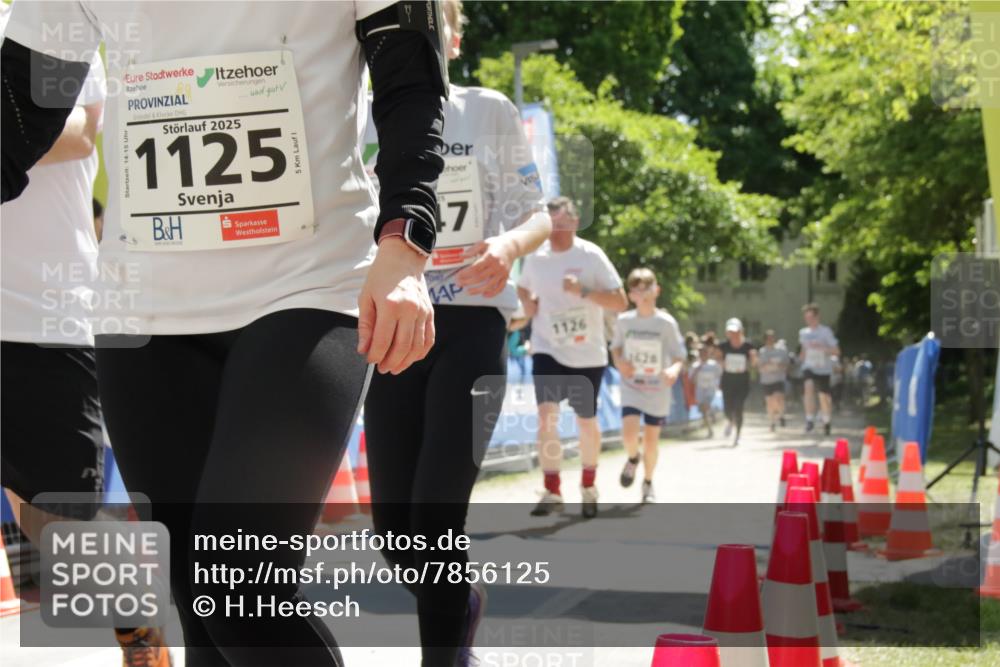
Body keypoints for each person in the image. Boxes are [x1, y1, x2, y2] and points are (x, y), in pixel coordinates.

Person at [3, 2, 446, 665]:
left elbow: (411, 80)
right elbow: (17, 109)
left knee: (237, 581)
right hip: (145, 310)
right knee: (204, 611)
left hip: (305, 284)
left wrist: (405, 242)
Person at [361, 2, 551, 663]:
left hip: (472, 320)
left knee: (437, 516)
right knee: (395, 533)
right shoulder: (358, 115)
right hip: (394, 325)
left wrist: (507, 246)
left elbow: (538, 214)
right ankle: (461, 600)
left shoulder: (487, 109)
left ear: (455, 38)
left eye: (433, 22)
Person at [0, 8, 172, 662]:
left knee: (56, 522)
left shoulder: (43, 24)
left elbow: (80, 132)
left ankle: (139, 629)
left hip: (40, 316)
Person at [518, 196, 628, 518]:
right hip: (547, 348)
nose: (555, 230)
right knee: (546, 417)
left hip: (587, 354)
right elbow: (523, 287)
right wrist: (528, 303)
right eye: (550, 224)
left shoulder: (591, 255)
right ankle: (552, 490)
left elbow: (620, 301)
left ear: (575, 222)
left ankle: (588, 486)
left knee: (585, 421)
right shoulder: (536, 258)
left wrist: (583, 291)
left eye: (561, 223)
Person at [610, 268, 686, 503]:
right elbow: (615, 348)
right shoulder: (624, 321)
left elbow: (679, 355)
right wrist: (620, 363)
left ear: (656, 290)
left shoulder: (666, 323)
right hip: (632, 386)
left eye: (646, 288)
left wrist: (673, 370)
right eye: (637, 289)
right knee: (629, 434)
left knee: (651, 441)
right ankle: (633, 458)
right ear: (630, 294)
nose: (642, 294)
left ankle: (648, 482)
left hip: (657, 389)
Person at [799, 303, 841, 435]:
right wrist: (800, 358)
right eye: (807, 318)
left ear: (817, 317)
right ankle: (809, 420)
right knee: (808, 386)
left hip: (823, 369)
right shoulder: (803, 333)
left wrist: (822, 349)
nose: (809, 320)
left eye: (811, 317)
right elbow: (803, 351)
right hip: (809, 367)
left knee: (824, 397)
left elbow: (837, 351)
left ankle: (826, 420)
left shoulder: (825, 331)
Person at [718, 318, 756, 447]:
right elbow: (718, 358)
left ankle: (737, 435)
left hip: (742, 382)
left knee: (739, 407)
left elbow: (753, 364)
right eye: (731, 332)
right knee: (727, 409)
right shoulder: (723, 346)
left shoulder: (748, 346)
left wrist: (752, 360)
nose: (733, 334)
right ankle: (730, 421)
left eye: (735, 331)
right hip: (727, 381)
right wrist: (722, 363)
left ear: (741, 331)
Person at [690, 335, 722, 437]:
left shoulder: (714, 365)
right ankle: (710, 428)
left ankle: (712, 417)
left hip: (710, 390)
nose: (703, 355)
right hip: (700, 390)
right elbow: (691, 379)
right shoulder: (695, 365)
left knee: (705, 407)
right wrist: (697, 370)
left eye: (705, 353)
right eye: (701, 353)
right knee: (703, 410)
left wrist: (718, 385)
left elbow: (719, 375)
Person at [758, 329, 789, 432]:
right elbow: (760, 366)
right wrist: (768, 365)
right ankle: (772, 422)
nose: (770, 340)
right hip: (766, 380)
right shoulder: (762, 351)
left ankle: (781, 415)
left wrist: (779, 365)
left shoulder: (781, 350)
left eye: (772, 338)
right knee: (769, 402)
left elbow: (787, 364)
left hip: (778, 378)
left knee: (778, 397)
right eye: (768, 338)